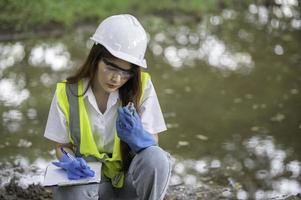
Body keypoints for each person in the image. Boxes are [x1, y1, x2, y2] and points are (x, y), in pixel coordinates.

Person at [43, 14, 171, 200]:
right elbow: (62, 146)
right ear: (96, 57)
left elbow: (153, 146)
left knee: (158, 158)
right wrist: (69, 160)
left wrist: (139, 138)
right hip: (89, 183)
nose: (117, 79)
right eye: (111, 67)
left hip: (129, 185)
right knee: (67, 190)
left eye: (126, 72)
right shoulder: (66, 93)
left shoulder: (142, 86)